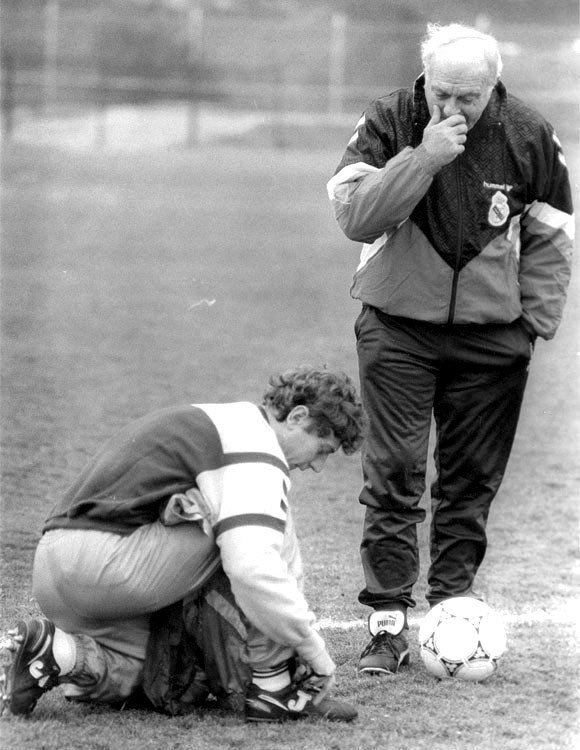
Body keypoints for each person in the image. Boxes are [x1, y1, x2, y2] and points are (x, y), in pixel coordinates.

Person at [327, 22, 574, 675]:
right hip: (397, 329)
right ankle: (386, 623)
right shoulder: (389, 119)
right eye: (441, 93)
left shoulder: (530, 133)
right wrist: (425, 156)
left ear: (494, 86)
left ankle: (450, 612)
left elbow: (552, 236)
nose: (451, 107)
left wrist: (530, 327)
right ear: (426, 78)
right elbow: (356, 216)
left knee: (470, 481)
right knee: (394, 470)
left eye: (468, 97)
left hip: (493, 342)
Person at [0, 365, 366, 722]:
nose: (317, 466)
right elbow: (255, 569)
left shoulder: (224, 421)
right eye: (322, 449)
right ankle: (274, 685)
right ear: (297, 417)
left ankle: (56, 651)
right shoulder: (258, 449)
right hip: (108, 566)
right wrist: (310, 647)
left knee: (168, 673)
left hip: (55, 572)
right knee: (247, 542)